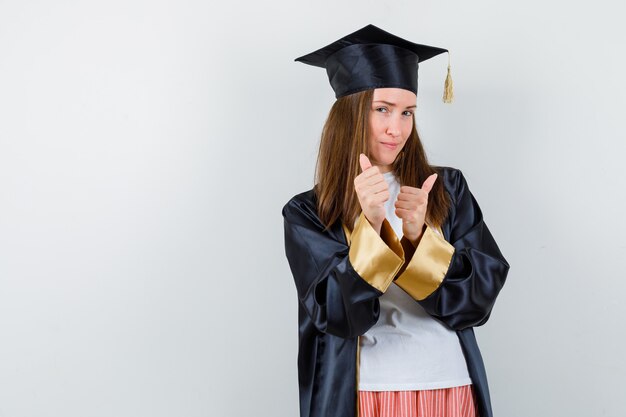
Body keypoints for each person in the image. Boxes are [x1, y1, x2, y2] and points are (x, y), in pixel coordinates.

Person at [282, 24, 510, 417]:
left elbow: (478, 301)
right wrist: (370, 228)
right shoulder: (310, 212)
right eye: (382, 109)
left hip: (450, 385)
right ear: (351, 114)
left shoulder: (444, 189)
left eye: (407, 112)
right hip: (367, 392)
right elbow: (336, 316)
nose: (397, 128)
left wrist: (420, 236)